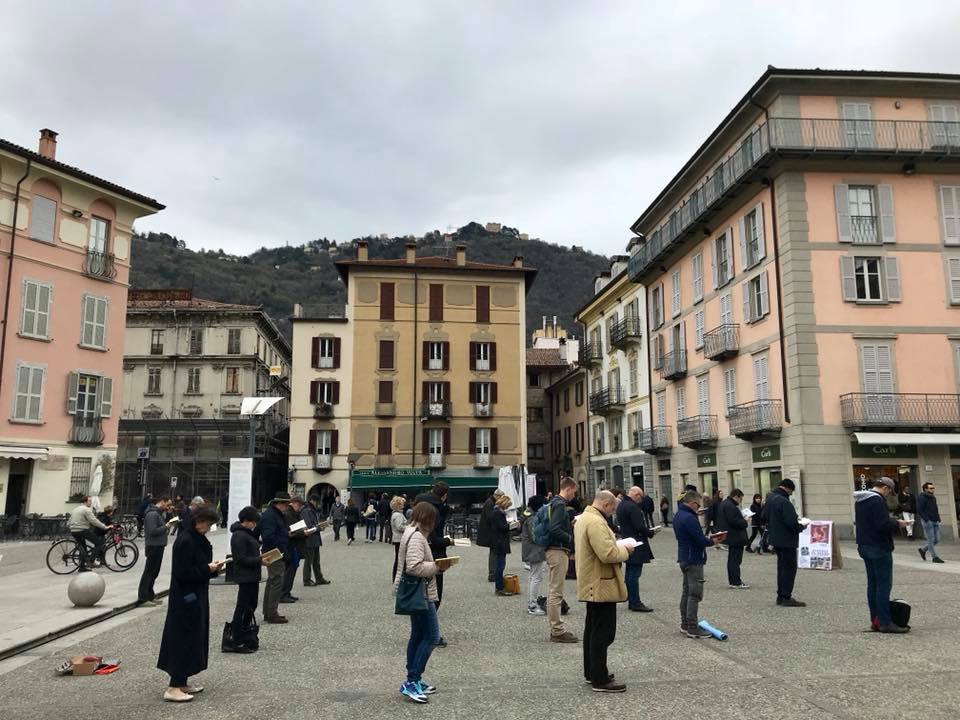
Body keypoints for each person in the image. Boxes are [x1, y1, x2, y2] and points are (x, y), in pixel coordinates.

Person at [156, 504, 223, 702]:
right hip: (185, 597)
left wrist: (214, 569)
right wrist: (207, 569)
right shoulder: (186, 540)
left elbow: (198, 567)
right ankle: (173, 686)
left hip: (194, 594)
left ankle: (182, 681)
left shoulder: (195, 537)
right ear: (199, 521)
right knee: (182, 639)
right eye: (208, 524)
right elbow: (183, 572)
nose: (209, 528)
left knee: (193, 638)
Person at [576, 490, 632, 693]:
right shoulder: (596, 522)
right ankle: (599, 679)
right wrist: (626, 550)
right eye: (612, 508)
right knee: (603, 632)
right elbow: (607, 553)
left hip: (593, 581)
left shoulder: (585, 517)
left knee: (592, 629)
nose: (612, 513)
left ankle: (592, 672)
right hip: (600, 583)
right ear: (607, 504)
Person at [394, 501, 445, 703]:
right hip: (421, 592)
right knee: (432, 636)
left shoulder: (411, 532)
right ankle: (412, 680)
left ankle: (413, 678)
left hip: (417, 591)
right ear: (428, 519)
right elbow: (414, 567)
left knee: (417, 635)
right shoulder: (416, 537)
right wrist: (438, 567)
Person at [854, 478, 910, 634]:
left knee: (872, 585)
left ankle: (875, 621)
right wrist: (898, 524)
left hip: (864, 545)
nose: (889, 495)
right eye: (889, 491)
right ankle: (885, 622)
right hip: (878, 547)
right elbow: (882, 525)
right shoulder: (877, 501)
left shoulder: (861, 500)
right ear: (885, 488)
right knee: (884, 586)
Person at [673, 490, 724, 638]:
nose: (698, 508)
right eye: (697, 505)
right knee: (694, 595)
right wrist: (713, 540)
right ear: (692, 503)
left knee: (686, 593)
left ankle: (685, 624)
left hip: (684, 557)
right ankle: (693, 628)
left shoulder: (678, 515)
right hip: (693, 559)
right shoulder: (689, 518)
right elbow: (700, 540)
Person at [224, 506, 268, 653]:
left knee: (251, 606)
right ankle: (237, 639)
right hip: (245, 576)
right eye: (253, 521)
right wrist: (259, 560)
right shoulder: (239, 535)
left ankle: (244, 634)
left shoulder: (247, 534)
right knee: (242, 608)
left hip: (252, 576)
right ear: (246, 521)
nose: (254, 524)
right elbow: (240, 558)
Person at [415, 481, 453, 647]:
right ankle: (431, 634)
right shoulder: (435, 511)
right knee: (434, 596)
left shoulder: (420, 506)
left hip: (420, 552)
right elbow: (435, 538)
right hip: (434, 556)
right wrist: (448, 541)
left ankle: (424, 632)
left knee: (425, 595)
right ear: (444, 495)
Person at [545, 477, 578, 643]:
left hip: (554, 550)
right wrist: (570, 538)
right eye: (574, 491)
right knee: (556, 591)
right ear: (569, 488)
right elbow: (554, 529)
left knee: (554, 590)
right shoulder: (559, 504)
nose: (574, 495)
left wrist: (569, 523)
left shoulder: (553, 502)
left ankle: (556, 629)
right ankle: (557, 631)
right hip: (557, 550)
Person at [765, 479, 806, 606]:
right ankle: (786, 597)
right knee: (789, 568)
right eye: (791, 491)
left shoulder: (770, 498)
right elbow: (791, 523)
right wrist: (801, 526)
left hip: (776, 539)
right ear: (788, 488)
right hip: (787, 540)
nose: (791, 494)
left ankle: (780, 595)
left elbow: (763, 516)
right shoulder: (784, 501)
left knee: (781, 568)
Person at [616, 486, 656, 612]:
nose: (642, 500)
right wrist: (650, 532)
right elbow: (639, 526)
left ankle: (630, 598)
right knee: (634, 574)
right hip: (636, 543)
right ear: (637, 495)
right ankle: (635, 602)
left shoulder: (622, 505)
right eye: (641, 497)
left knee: (629, 572)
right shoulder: (633, 507)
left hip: (627, 541)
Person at [259, 492, 291, 624]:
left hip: (275, 551)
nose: (287, 506)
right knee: (276, 582)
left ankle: (268, 612)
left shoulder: (274, 514)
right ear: (279, 503)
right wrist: (280, 549)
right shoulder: (271, 516)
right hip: (274, 552)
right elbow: (268, 536)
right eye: (286, 504)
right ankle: (272, 613)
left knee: (272, 581)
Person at [138, 497, 173, 606]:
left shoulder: (157, 513)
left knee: (154, 571)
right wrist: (166, 527)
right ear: (161, 501)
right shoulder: (152, 514)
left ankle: (150, 595)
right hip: (153, 546)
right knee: (149, 571)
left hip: (158, 545)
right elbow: (153, 531)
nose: (168, 507)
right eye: (167, 505)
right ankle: (143, 597)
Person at [715, 488, 749, 589]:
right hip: (735, 537)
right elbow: (734, 521)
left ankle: (734, 580)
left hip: (731, 536)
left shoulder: (726, 504)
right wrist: (745, 521)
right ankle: (736, 581)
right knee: (735, 560)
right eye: (740, 499)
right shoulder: (730, 506)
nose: (740, 501)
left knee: (732, 560)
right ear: (736, 496)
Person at [521, 495, 547, 615]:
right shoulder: (533, 518)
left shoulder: (528, 515)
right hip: (534, 551)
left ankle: (532, 602)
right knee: (536, 578)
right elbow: (535, 536)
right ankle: (532, 605)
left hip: (531, 550)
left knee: (534, 577)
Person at [68, 496, 109, 570]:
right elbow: (94, 521)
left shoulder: (75, 509)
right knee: (100, 543)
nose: (91, 502)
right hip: (82, 530)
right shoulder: (86, 510)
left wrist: (72, 526)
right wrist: (104, 527)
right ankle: (91, 561)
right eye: (90, 501)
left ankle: (82, 567)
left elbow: (69, 521)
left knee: (83, 548)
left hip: (73, 531)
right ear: (85, 502)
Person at [282, 496, 307, 602]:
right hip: (291, 546)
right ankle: (284, 594)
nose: (300, 507)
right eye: (299, 505)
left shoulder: (295, 514)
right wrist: (303, 532)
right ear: (293, 503)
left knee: (292, 571)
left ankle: (287, 592)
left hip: (295, 546)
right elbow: (290, 531)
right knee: (289, 571)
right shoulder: (288, 514)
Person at [301, 495, 330, 587]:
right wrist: (319, 527)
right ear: (313, 501)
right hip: (309, 539)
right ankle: (307, 580)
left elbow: (313, 524)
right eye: (317, 502)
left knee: (316, 561)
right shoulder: (307, 510)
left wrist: (320, 527)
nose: (319, 504)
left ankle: (319, 578)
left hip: (314, 539)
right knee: (308, 561)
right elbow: (309, 525)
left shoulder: (311, 509)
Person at [476, 489, 503, 583]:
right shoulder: (490, 503)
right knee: (493, 552)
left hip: (489, 531)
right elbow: (490, 517)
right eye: (501, 497)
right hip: (490, 532)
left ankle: (493, 573)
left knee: (493, 552)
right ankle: (492, 574)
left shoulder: (490, 502)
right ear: (497, 496)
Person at [492, 494, 515, 596]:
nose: (508, 507)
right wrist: (511, 525)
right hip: (500, 542)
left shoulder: (497, 512)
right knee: (500, 566)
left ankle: (500, 586)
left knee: (500, 565)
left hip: (499, 541)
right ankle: (499, 587)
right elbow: (502, 527)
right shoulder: (498, 513)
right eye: (507, 505)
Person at [917, 482, 944, 563]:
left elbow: (935, 509)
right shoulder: (922, 497)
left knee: (937, 540)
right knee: (931, 539)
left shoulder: (933, 497)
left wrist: (938, 518)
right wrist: (927, 520)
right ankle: (934, 557)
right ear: (926, 489)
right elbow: (920, 510)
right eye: (931, 488)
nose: (933, 489)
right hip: (927, 521)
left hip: (935, 520)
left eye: (933, 488)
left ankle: (923, 550)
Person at [391, 495, 408, 581]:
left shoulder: (396, 514)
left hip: (397, 539)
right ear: (398, 505)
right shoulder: (398, 515)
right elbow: (400, 527)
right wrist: (409, 527)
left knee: (398, 558)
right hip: (400, 539)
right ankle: (397, 577)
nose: (403, 505)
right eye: (402, 504)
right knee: (400, 559)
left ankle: (396, 577)